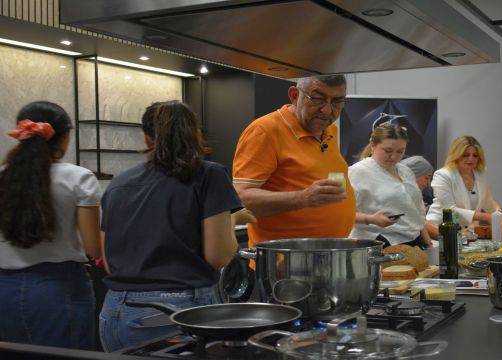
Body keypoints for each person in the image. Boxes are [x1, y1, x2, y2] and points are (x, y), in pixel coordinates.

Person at [99, 101, 240, 351]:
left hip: (115, 313)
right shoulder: (209, 174)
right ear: (196, 134)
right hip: (174, 312)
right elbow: (218, 256)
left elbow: (110, 261)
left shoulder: (119, 183)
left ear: (146, 139)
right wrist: (235, 219)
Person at [0, 101, 101, 349]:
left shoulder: (2, 175)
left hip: (4, 289)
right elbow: (94, 249)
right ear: (65, 136)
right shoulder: (79, 178)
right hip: (59, 289)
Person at [232, 75, 356, 248]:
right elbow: (240, 200)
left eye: (337, 101)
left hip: (330, 256)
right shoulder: (265, 131)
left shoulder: (329, 131)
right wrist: (303, 198)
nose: (327, 110)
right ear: (294, 95)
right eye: (318, 99)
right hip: (283, 264)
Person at [348, 124, 432, 248]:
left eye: (400, 151)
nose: (394, 156)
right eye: (388, 151)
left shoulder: (405, 171)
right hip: (379, 243)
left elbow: (416, 214)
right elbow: (342, 214)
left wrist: (428, 244)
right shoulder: (357, 172)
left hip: (414, 241)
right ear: (373, 145)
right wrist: (370, 219)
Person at [426, 135, 500, 227]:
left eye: (475, 155)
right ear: (456, 155)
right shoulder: (442, 175)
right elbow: (450, 210)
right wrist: (486, 217)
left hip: (467, 231)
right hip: (440, 229)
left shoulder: (481, 173)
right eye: (466, 155)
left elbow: (488, 202)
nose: (471, 159)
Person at [401, 155, 438, 239]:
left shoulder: (414, 195)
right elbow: (420, 223)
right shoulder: (402, 196)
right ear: (413, 175)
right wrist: (449, 234)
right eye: (426, 178)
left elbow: (422, 222)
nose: (429, 183)